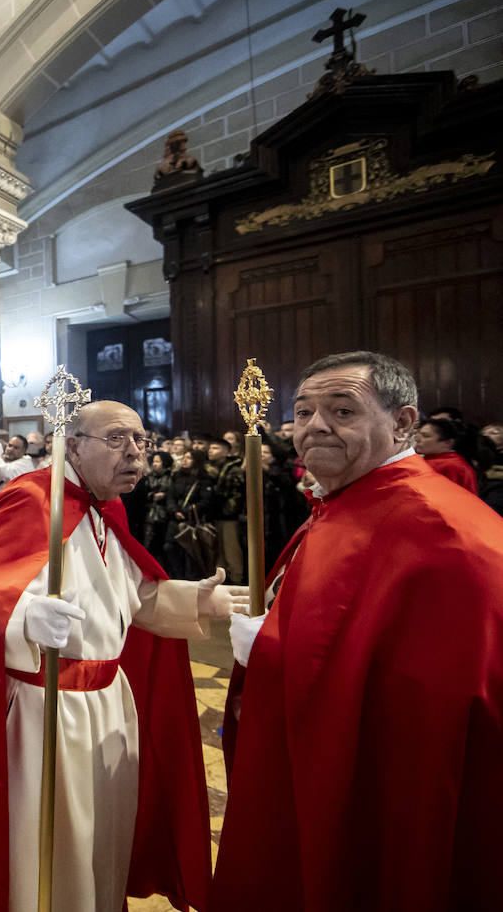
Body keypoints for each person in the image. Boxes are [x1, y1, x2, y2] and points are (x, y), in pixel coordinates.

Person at [0, 400, 247, 912]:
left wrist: (194, 599)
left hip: (109, 708)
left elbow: (132, 596)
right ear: (73, 444)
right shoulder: (33, 501)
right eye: (117, 439)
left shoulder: (106, 511)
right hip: (49, 712)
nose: (135, 453)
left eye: (140, 440)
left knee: (104, 841)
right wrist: (22, 618)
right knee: (54, 852)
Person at [214, 352, 503, 911]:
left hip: (390, 794)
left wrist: (276, 651)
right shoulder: (350, 503)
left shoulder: (443, 530)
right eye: (301, 413)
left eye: (342, 410)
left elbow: (434, 704)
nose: (315, 426)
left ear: (402, 422)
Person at [162, 448, 216, 580]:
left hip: (191, 521)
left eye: (189, 458)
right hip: (175, 519)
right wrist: (174, 510)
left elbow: (206, 501)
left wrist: (186, 512)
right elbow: (170, 495)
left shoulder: (204, 478)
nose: (185, 460)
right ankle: (177, 576)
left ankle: (190, 580)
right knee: (169, 547)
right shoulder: (177, 475)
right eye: (184, 457)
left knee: (190, 552)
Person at [209, 437, 246, 584]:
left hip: (230, 517)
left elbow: (238, 495)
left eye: (215, 448)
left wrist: (228, 510)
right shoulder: (211, 468)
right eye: (210, 448)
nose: (211, 451)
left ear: (226, 451)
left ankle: (238, 582)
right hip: (216, 515)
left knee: (232, 553)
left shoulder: (233, 468)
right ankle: (221, 583)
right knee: (220, 554)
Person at [414, 416, 478, 494]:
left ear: (448, 442)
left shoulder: (451, 465)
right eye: (418, 434)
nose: (417, 439)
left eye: (426, 436)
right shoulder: (437, 461)